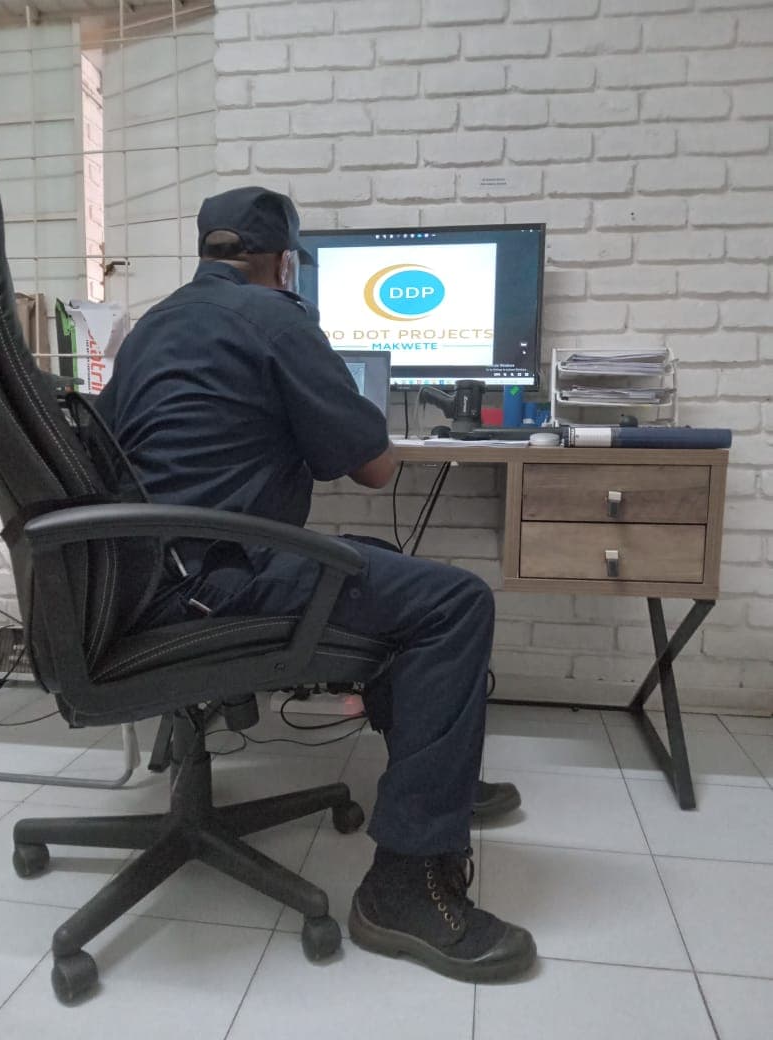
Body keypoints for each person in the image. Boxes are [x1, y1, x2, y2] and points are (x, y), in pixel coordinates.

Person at [97, 186, 536, 983]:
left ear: (206, 251)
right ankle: (403, 887)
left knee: (378, 565)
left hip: (141, 578)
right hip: (217, 582)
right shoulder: (279, 319)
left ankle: (437, 783)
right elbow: (375, 466)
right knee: (453, 602)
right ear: (284, 262)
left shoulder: (150, 325)